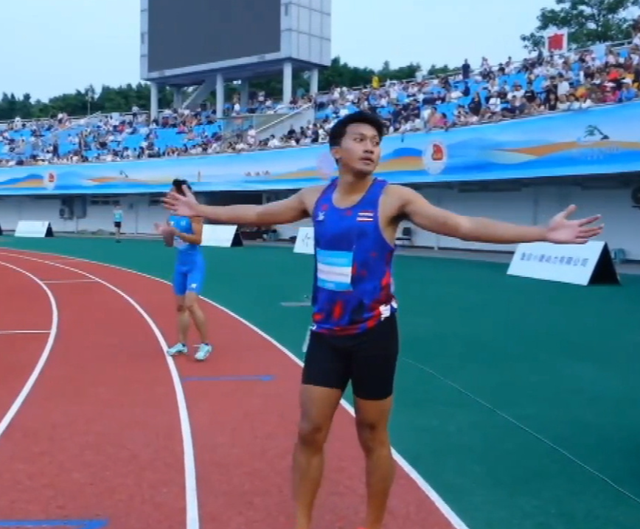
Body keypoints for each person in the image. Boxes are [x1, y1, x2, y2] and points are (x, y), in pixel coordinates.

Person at [162, 111, 603, 529]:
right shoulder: (314, 197)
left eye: (375, 141)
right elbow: (259, 214)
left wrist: (541, 233)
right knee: (310, 430)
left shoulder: (394, 198)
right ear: (337, 151)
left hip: (374, 334)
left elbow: (461, 225)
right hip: (326, 334)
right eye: (359, 140)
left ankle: (372, 524)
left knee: (372, 432)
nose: (370, 147)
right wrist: (202, 210)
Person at [155, 179, 212, 362]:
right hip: (180, 266)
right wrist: (165, 234)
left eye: (172, 192)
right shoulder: (171, 216)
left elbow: (198, 239)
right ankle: (182, 343)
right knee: (180, 307)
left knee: (191, 304)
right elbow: (169, 244)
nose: (169, 195)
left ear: (180, 194)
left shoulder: (194, 215)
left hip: (195, 264)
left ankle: (205, 344)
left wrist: (178, 233)